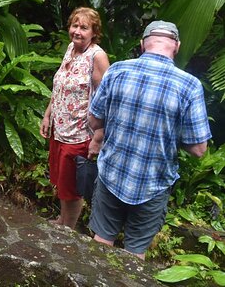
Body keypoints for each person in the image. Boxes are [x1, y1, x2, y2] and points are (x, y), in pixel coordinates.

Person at [88, 20, 211, 259]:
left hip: (111, 174)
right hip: (153, 184)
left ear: (143, 44)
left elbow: (94, 122)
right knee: (135, 255)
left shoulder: (117, 71)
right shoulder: (189, 86)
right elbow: (198, 149)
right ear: (176, 46)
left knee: (101, 243)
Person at [40, 7, 110, 229]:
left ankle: (68, 227)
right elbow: (59, 86)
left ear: (94, 32)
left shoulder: (97, 56)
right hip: (60, 128)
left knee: (73, 185)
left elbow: (105, 98)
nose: (77, 31)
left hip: (80, 133)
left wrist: (98, 136)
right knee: (62, 180)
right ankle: (62, 219)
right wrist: (48, 114)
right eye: (75, 26)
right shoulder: (71, 49)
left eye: (84, 27)